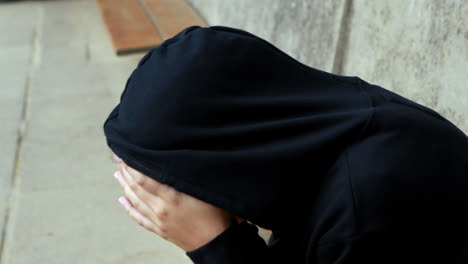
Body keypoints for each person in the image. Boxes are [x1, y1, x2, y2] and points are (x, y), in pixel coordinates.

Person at [103, 25, 468, 263]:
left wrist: (215, 245)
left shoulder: (357, 217)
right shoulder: (327, 124)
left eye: (168, 183)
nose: (161, 203)